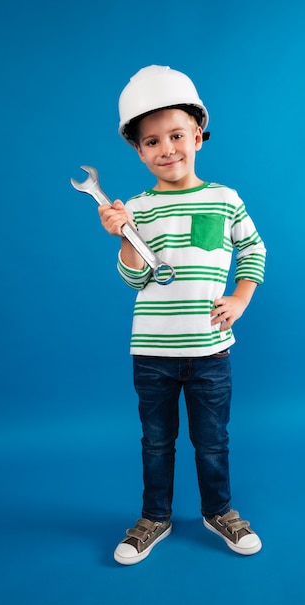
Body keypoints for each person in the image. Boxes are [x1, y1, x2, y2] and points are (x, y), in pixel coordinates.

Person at [98, 65, 267, 566]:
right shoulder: (138, 209)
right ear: (138, 150)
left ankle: (219, 512)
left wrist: (240, 299)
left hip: (211, 352)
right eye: (151, 141)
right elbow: (134, 279)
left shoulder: (225, 199)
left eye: (176, 135)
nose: (166, 148)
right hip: (151, 353)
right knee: (156, 441)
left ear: (198, 134)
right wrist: (124, 238)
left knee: (212, 442)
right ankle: (156, 518)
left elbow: (254, 250)